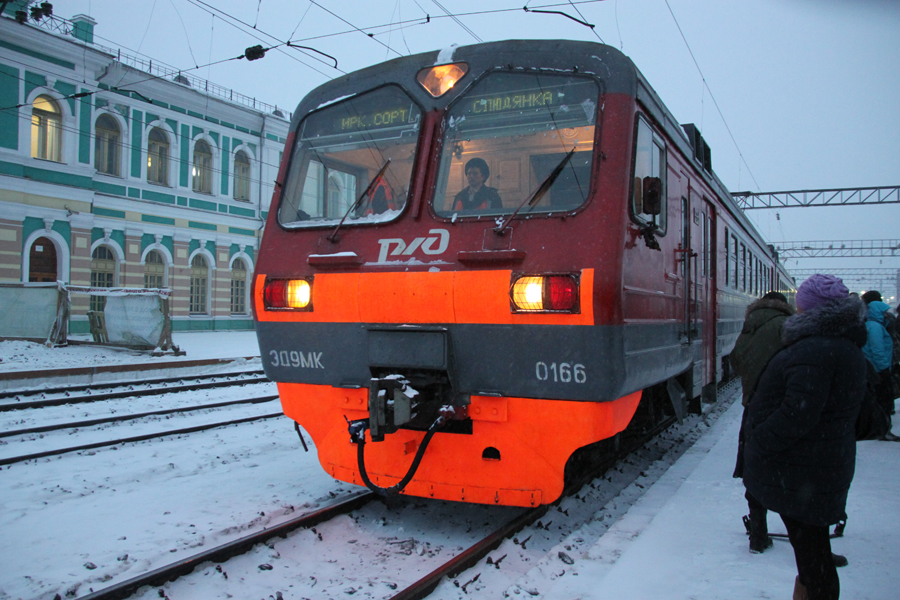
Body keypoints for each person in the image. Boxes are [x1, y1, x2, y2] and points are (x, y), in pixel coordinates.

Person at [743, 274, 867, 600]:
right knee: (813, 556)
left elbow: (798, 414)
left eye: (802, 303)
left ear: (811, 309)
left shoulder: (815, 350)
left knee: (814, 561)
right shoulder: (838, 345)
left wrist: (759, 441)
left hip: (805, 472)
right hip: (818, 466)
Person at [730, 291, 794, 554]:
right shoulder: (787, 326)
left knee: (755, 471)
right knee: (790, 473)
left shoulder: (750, 325)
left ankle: (758, 534)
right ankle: (805, 538)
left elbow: (736, 360)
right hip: (782, 409)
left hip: (753, 409)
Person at [860, 297, 897, 439]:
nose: (886, 315)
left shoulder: (870, 325)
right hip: (878, 370)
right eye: (883, 312)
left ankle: (881, 429)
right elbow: (877, 350)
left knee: (878, 400)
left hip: (872, 369)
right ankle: (884, 431)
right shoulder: (875, 327)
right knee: (884, 401)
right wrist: (884, 369)